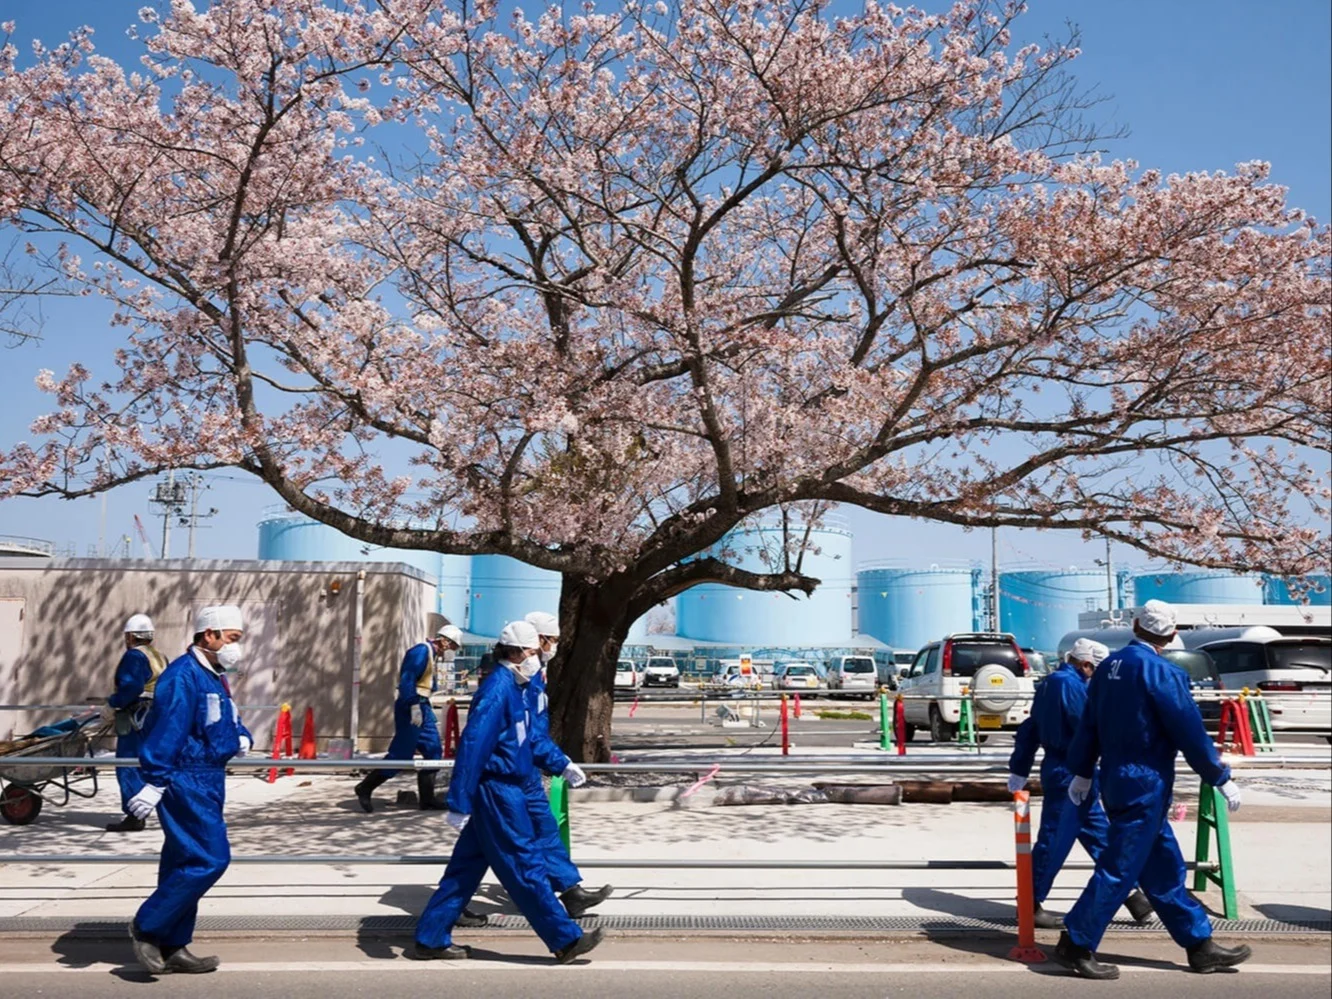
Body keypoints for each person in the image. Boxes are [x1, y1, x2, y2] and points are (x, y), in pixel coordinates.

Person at [1056, 600, 1249, 980]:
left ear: (1134, 625)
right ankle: (1076, 942)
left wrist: (1081, 770)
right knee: (1121, 867)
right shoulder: (1162, 672)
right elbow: (1188, 730)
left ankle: (1199, 944)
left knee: (1162, 864)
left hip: (1115, 775)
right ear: (1172, 635)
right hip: (1147, 780)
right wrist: (1218, 776)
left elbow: (1089, 724)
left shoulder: (1108, 666)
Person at [411, 620, 603, 964]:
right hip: (499, 792)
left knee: (465, 869)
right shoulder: (499, 689)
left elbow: (530, 738)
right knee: (524, 865)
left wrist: (561, 763)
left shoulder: (519, 685)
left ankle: (431, 938)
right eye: (532, 651)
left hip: (509, 788)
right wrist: (459, 800)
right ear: (515, 652)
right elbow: (473, 745)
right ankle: (565, 940)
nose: (536, 656)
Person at [125, 604, 252, 976]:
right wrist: (156, 780)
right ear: (209, 634)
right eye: (232, 639)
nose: (235, 648)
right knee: (210, 859)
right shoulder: (183, 676)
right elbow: (168, 729)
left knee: (182, 861)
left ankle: (173, 943)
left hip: (209, 776)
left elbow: (225, 716)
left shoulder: (214, 674)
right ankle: (147, 926)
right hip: (185, 777)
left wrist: (240, 736)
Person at [1008, 638, 1152, 928]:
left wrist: (1020, 767)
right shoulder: (1069, 686)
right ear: (1086, 665)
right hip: (1071, 770)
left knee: (1100, 836)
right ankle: (1030, 903)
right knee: (1054, 839)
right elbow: (1089, 729)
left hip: (1068, 769)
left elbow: (1031, 727)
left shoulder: (1054, 683)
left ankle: (1133, 895)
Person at [522, 610, 613, 918]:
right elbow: (527, 732)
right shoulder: (514, 678)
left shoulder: (533, 674)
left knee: (545, 830)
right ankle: (445, 915)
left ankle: (571, 893)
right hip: (505, 775)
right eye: (553, 641)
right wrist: (559, 762)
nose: (555, 647)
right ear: (537, 639)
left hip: (524, 773)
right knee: (486, 851)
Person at [353, 625, 462, 813]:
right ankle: (365, 787)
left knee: (433, 751)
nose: (452, 651)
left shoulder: (431, 654)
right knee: (401, 754)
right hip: (411, 706)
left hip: (423, 705)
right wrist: (413, 705)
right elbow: (407, 678)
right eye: (452, 646)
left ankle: (427, 800)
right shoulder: (421, 651)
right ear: (444, 641)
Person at [103, 613, 169, 833]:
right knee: (148, 764)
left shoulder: (134, 657)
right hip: (154, 718)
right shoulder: (159, 656)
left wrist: (113, 704)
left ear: (130, 636)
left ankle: (134, 815)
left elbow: (130, 687)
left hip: (136, 718)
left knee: (128, 764)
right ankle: (147, 808)